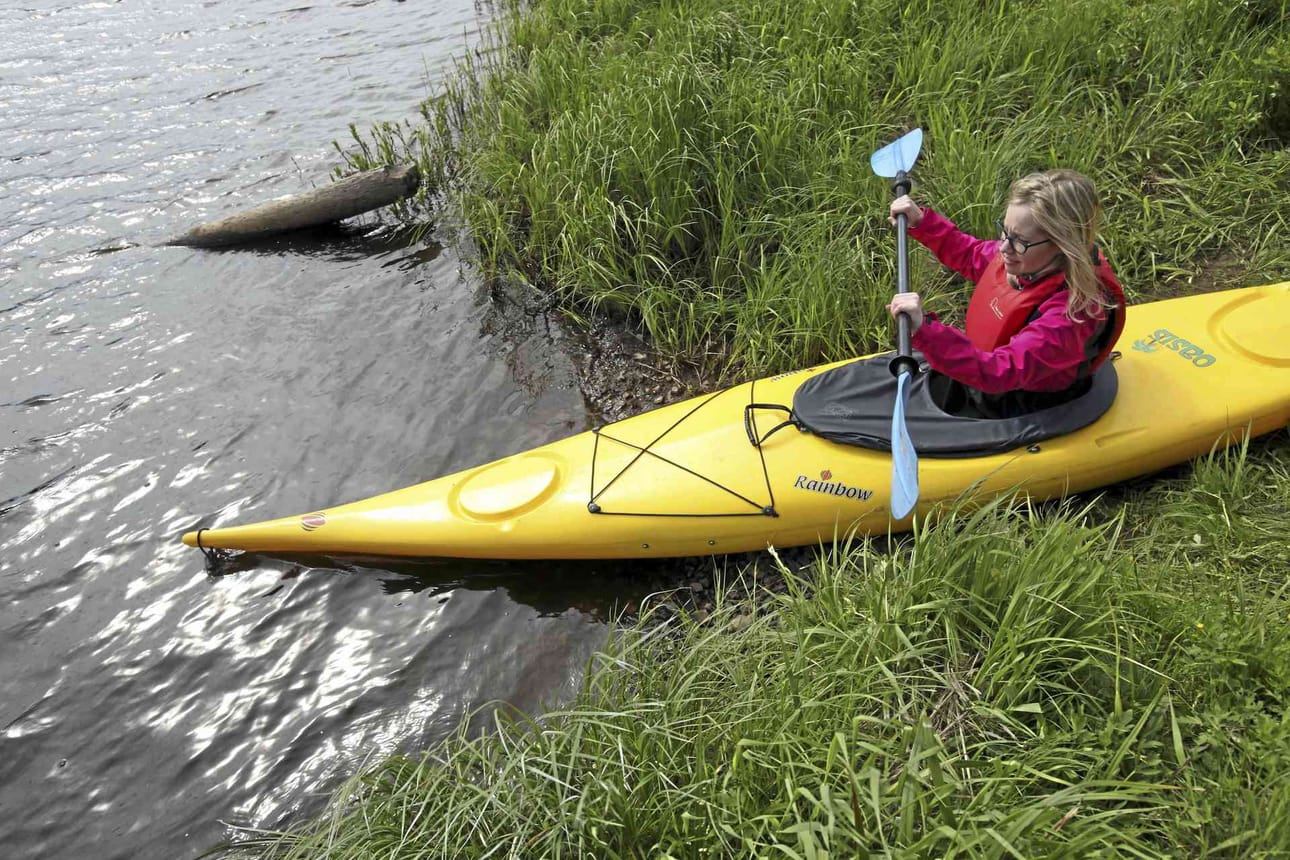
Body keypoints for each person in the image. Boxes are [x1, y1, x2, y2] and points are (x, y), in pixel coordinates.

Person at [886, 169, 1126, 418]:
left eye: (1019, 240)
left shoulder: (1071, 317)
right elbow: (971, 255)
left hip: (1020, 399)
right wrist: (921, 222)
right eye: (1005, 231)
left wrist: (925, 330)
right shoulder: (1027, 260)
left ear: (1063, 246)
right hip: (986, 370)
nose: (1003, 247)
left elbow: (1000, 371)